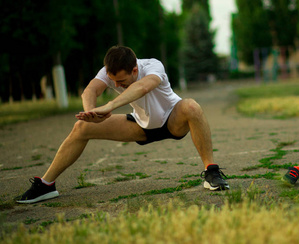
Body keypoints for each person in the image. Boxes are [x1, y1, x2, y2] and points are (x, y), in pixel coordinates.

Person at [17, 46, 229, 204]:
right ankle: (46, 185)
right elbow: (90, 90)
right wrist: (91, 112)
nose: (116, 85)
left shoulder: (153, 66)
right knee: (81, 128)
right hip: (141, 126)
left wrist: (109, 106)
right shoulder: (110, 72)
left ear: (135, 69)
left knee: (191, 106)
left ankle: (211, 172)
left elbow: (143, 88)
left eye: (121, 82)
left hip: (172, 120)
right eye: (113, 81)